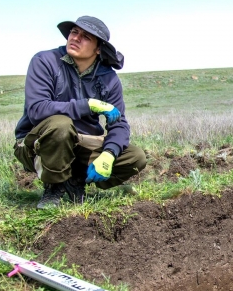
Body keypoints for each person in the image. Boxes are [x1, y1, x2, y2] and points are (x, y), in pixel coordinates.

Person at [14, 16, 147, 209]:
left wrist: (109, 154)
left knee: (135, 157)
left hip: (81, 143)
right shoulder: (45, 61)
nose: (75, 38)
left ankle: (75, 181)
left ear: (98, 49)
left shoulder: (109, 79)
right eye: (74, 32)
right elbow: (37, 110)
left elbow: (119, 124)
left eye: (85, 36)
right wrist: (87, 105)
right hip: (38, 143)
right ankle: (54, 186)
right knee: (61, 125)